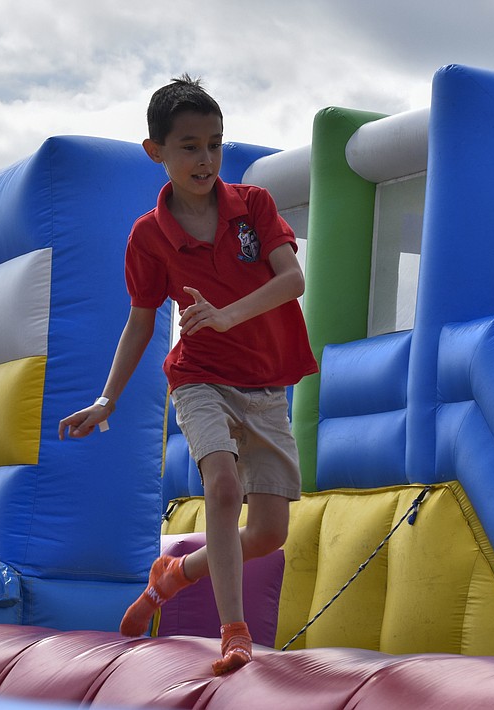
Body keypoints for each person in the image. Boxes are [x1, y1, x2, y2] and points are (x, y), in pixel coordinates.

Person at [58, 75, 318, 675]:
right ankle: (234, 633)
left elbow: (292, 281)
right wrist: (108, 398)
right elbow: (141, 322)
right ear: (157, 152)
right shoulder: (149, 236)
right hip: (200, 377)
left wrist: (227, 315)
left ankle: (173, 575)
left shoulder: (252, 207)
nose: (205, 159)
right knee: (223, 489)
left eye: (215, 144)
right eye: (190, 146)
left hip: (267, 382)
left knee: (268, 535)